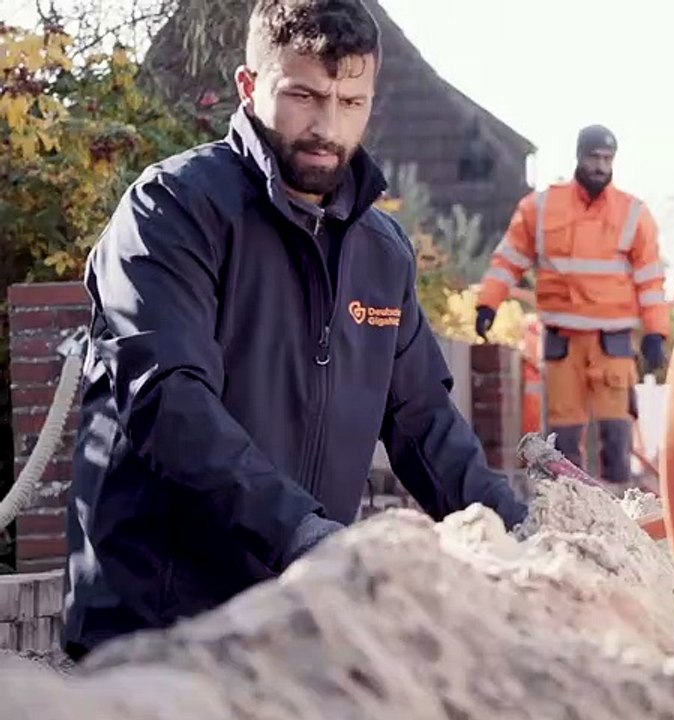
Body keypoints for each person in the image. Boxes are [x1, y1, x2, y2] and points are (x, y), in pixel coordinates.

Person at [62, 0, 526, 661]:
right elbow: (171, 402)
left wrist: (519, 534)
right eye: (304, 95)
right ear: (251, 87)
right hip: (156, 627)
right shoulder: (170, 210)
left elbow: (425, 424)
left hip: (292, 630)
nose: (327, 126)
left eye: (350, 101)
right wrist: (302, 535)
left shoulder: (382, 251)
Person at [474, 125, 669, 488]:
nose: (600, 166)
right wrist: (489, 302)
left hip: (612, 340)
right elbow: (508, 260)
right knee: (563, 435)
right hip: (563, 339)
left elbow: (651, 280)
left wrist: (656, 332)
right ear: (579, 156)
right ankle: (568, 501)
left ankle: (620, 508)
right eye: (594, 157)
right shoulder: (541, 208)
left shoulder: (633, 214)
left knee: (616, 431)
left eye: (607, 159)